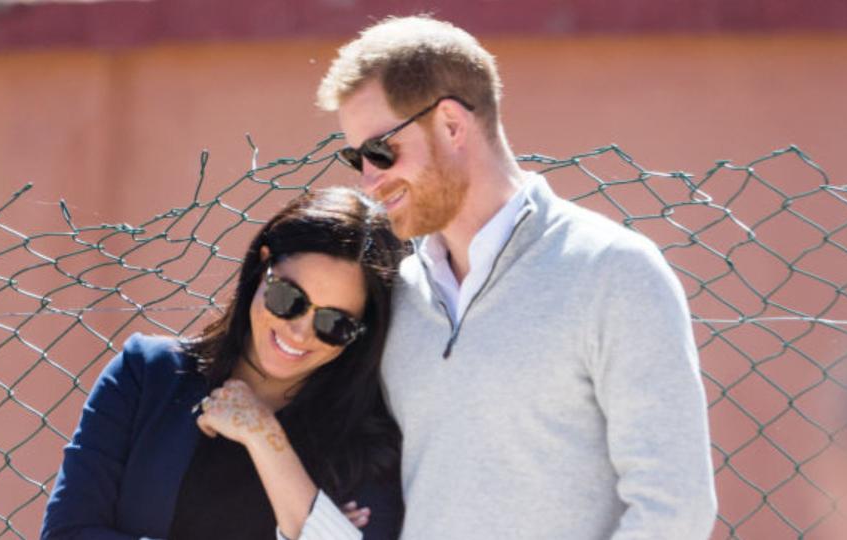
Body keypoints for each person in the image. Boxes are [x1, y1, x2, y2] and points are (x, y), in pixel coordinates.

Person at [316, 15, 718, 539]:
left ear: (452, 126)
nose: (369, 181)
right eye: (355, 158)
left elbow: (675, 509)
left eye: (379, 151)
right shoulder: (399, 292)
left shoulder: (614, 272)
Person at [41, 187, 406, 540]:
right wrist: (314, 526)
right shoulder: (147, 375)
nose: (299, 333)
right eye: (288, 298)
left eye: (335, 324)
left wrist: (266, 437)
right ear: (263, 264)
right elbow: (66, 533)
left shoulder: (368, 448)